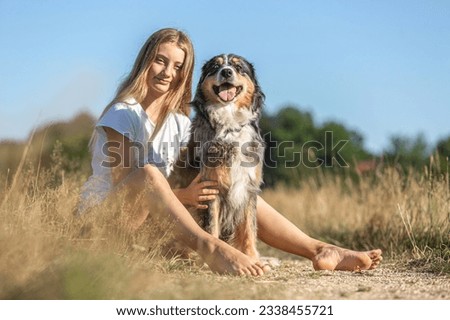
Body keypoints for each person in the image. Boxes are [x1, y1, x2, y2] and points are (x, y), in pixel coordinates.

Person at [78, 28, 382, 276]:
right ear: (145, 62)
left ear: (186, 74)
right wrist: (185, 196)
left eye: (178, 66)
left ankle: (319, 249)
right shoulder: (123, 113)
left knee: (238, 186)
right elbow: (131, 184)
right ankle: (216, 250)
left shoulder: (179, 122)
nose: (168, 72)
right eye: (160, 61)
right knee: (148, 173)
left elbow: (194, 178)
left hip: (154, 224)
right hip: (107, 223)